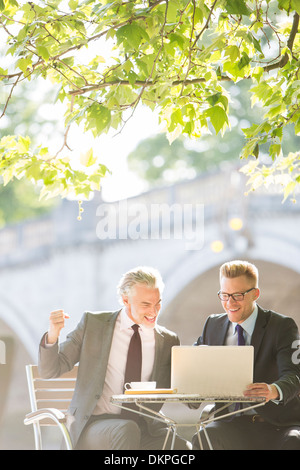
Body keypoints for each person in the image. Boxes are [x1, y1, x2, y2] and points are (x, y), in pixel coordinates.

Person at [38, 266, 189, 450]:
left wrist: (199, 368)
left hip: (145, 426)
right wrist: (53, 335)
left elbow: (185, 393)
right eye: (146, 305)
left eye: (158, 303)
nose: (154, 311)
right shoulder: (93, 325)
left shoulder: (168, 340)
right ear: (126, 300)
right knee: (126, 430)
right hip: (93, 426)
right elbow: (50, 370)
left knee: (182, 447)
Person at [192, 260, 300, 450]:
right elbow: (192, 364)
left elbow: (294, 375)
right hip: (230, 423)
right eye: (224, 295)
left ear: (255, 294)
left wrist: (272, 390)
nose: (230, 303)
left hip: (276, 424)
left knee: (294, 442)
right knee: (204, 438)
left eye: (238, 295)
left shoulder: (282, 326)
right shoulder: (212, 325)